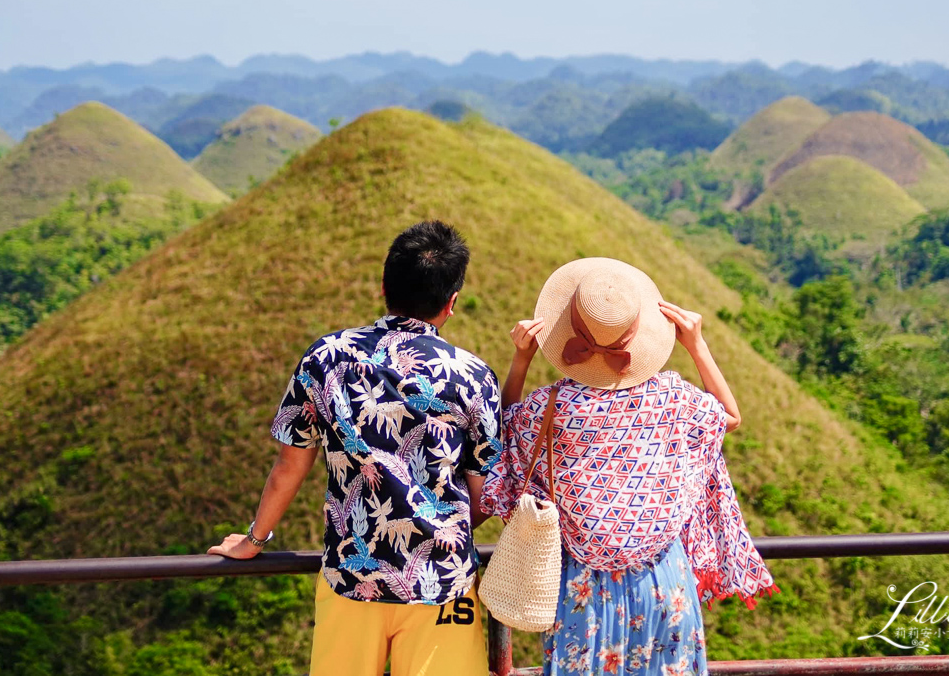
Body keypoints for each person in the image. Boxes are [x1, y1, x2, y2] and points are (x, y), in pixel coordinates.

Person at [208, 220, 501, 676]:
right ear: (452, 303)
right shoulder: (473, 375)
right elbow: (486, 494)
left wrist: (254, 540)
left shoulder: (324, 358)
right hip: (442, 584)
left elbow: (290, 464)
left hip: (352, 577)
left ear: (384, 285)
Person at [482, 257, 778, 676]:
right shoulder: (671, 398)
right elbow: (728, 416)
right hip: (663, 583)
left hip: (582, 592)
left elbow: (506, 435)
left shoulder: (550, 408)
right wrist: (696, 344)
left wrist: (521, 360)